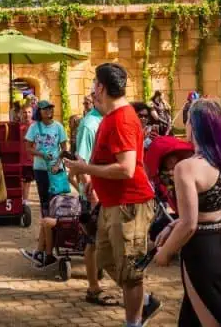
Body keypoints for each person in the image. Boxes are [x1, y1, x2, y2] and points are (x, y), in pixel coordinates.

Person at [67, 63, 162, 327]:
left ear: (101, 87)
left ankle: (134, 322)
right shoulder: (109, 116)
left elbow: (126, 168)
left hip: (129, 204)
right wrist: (93, 180)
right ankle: (144, 302)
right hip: (112, 203)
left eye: (94, 84)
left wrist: (85, 169)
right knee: (106, 258)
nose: (92, 90)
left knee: (130, 272)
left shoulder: (121, 119)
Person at [153, 99, 221, 326]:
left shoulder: (187, 167)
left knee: (215, 318)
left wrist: (165, 253)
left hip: (200, 250)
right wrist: (172, 225)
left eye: (188, 121)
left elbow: (189, 224)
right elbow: (210, 211)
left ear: (195, 125)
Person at [73, 96, 110, 307]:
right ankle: (93, 288)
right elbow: (81, 162)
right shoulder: (90, 124)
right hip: (93, 193)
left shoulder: (107, 119)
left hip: (106, 191)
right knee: (93, 241)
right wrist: (91, 192)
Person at [25, 100, 67, 217]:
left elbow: (64, 149)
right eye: (46, 109)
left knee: (56, 199)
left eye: (50, 108)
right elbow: (28, 148)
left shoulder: (58, 126)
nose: (49, 110)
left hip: (56, 169)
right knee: (44, 200)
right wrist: (41, 154)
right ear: (39, 111)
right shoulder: (34, 127)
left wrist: (57, 164)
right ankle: (46, 225)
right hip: (40, 169)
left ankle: (56, 225)